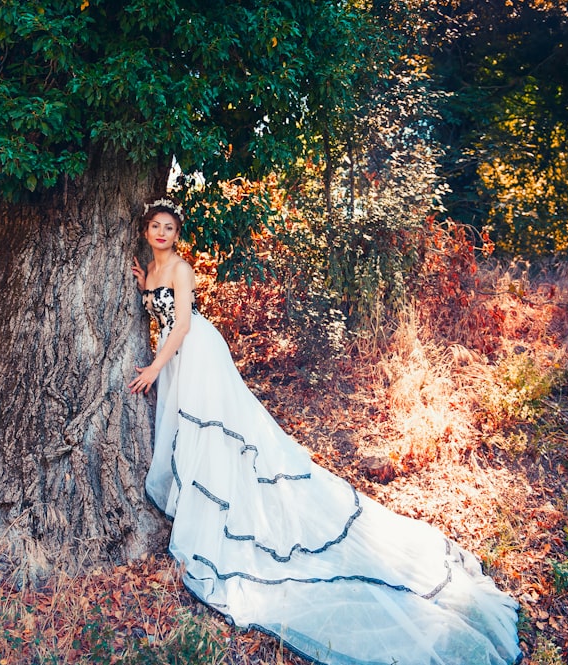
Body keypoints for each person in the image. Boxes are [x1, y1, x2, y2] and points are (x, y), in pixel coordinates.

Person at [130, 198, 522, 665]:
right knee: (200, 435)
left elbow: (182, 326)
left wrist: (155, 366)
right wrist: (144, 290)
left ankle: (224, 517)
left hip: (195, 354)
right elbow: (160, 312)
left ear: (177, 234)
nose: (161, 232)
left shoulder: (181, 269)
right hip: (177, 362)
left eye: (168, 227)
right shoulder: (150, 271)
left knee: (221, 434)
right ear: (146, 230)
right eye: (155, 226)